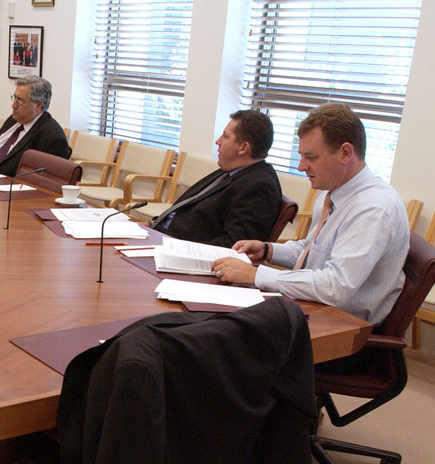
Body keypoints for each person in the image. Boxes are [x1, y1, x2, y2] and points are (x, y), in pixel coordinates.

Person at [212, 103, 409, 325]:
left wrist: (254, 275)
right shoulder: (333, 191)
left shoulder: (373, 208)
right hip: (312, 305)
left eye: (311, 157)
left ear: (345, 153)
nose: (301, 166)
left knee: (225, 331)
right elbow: (312, 251)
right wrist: (268, 250)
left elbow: (335, 286)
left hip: (339, 326)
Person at [151, 110, 282, 247]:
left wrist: (173, 245)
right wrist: (152, 226)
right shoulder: (231, 170)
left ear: (243, 148)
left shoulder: (259, 187)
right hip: (161, 235)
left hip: (178, 250)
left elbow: (234, 245)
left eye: (225, 137)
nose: (218, 141)